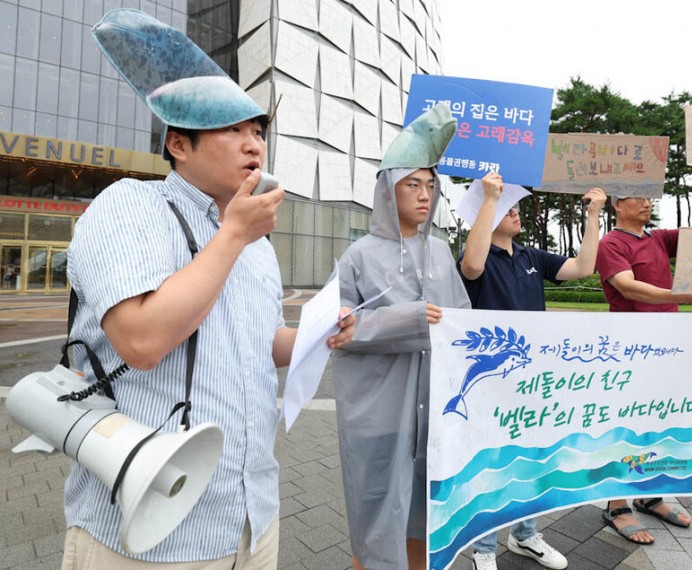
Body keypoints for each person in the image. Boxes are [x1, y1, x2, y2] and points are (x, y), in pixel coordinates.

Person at [61, 9, 353, 568]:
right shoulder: (130, 206)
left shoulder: (257, 248)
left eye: (259, 131)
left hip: (250, 514)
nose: (254, 145)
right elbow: (142, 341)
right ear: (179, 144)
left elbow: (261, 343)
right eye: (233, 129)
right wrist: (233, 235)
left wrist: (317, 335)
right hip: (143, 529)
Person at [332, 103, 472, 570]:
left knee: (422, 512)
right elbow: (337, 330)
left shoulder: (440, 251)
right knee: (375, 511)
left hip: (434, 412)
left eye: (430, 186)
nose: (424, 196)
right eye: (412, 184)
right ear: (387, 190)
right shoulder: (358, 256)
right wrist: (408, 321)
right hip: (379, 411)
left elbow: (462, 321)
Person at [457, 171, 606, 569]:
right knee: (491, 462)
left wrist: (592, 217)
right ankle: (483, 548)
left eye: (515, 205)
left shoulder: (529, 256)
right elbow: (471, 268)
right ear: (487, 213)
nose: (516, 212)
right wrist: (490, 197)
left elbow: (583, 268)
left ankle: (525, 535)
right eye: (508, 207)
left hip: (532, 379)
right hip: (492, 383)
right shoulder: (477, 254)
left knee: (530, 458)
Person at [594, 164, 692, 544]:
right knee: (625, 424)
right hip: (631, 351)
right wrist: (683, 296)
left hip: (667, 346)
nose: (647, 202)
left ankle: (650, 493)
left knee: (659, 422)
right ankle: (616, 504)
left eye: (648, 197)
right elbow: (629, 289)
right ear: (618, 205)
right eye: (638, 197)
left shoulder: (657, 238)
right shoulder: (612, 244)